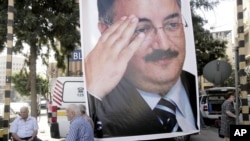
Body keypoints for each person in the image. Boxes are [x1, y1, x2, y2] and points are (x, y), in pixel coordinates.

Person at [84, 0, 198, 138]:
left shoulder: (194, 90)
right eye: (141, 29)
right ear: (106, 31)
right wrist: (93, 94)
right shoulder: (98, 99)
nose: (164, 45)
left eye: (173, 24)